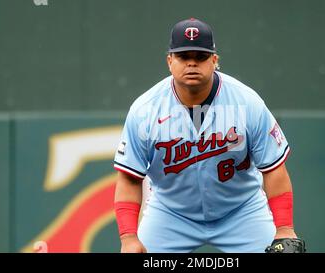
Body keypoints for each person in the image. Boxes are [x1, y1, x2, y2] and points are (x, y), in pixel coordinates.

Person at [113, 18, 301, 253]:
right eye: (183, 57)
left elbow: (273, 169)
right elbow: (129, 178)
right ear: (170, 61)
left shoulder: (246, 102)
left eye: (200, 57)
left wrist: (284, 228)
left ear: (214, 60)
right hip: (171, 214)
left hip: (242, 211)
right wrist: (128, 237)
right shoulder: (145, 109)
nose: (192, 64)